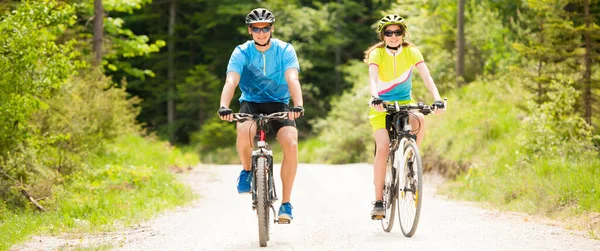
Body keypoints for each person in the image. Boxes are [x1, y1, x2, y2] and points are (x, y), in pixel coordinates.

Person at [217, 8, 304, 223]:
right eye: (256, 28)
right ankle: (247, 170)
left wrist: (298, 104)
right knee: (245, 131)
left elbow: (292, 78)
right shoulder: (241, 52)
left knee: (291, 144)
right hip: (251, 103)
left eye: (265, 28)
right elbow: (231, 80)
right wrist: (223, 106)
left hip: (280, 103)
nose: (261, 32)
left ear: (272, 28)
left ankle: (286, 203)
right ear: (250, 30)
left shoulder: (285, 50)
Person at [363, 14, 445, 218]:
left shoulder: (412, 52)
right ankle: (379, 201)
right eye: (388, 33)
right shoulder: (377, 54)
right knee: (382, 147)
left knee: (421, 119)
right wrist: (375, 97)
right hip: (380, 104)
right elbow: (373, 80)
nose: (393, 36)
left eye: (397, 32)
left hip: (405, 101)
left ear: (403, 34)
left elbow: (427, 76)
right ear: (383, 35)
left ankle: (411, 156)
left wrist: (437, 98)